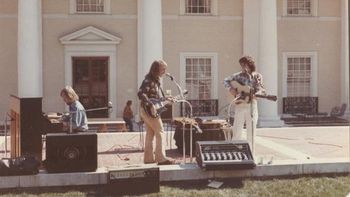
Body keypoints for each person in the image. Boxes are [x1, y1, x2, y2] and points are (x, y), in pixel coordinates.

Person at [223, 56, 266, 153]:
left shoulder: (257, 76)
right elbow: (225, 81)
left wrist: (259, 93)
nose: (243, 67)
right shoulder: (238, 76)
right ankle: (235, 152)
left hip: (252, 105)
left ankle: (251, 153)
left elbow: (260, 88)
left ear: (250, 65)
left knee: (251, 131)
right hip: (240, 105)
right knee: (237, 129)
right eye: (241, 65)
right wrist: (232, 90)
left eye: (244, 65)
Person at [138, 60, 175, 165]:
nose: (165, 71)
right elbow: (141, 93)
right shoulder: (148, 80)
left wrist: (167, 99)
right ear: (156, 69)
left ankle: (148, 159)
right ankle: (161, 158)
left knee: (150, 133)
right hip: (148, 111)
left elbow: (156, 97)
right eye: (163, 69)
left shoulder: (155, 81)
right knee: (160, 132)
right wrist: (150, 104)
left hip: (146, 111)